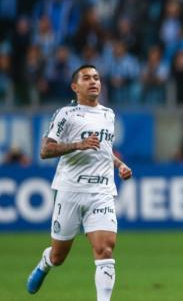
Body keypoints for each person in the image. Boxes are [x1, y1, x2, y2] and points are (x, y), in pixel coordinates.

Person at [26, 64, 132, 301]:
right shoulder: (66, 114)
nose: (94, 81)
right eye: (87, 78)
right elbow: (45, 150)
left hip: (101, 191)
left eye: (96, 77)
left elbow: (104, 150)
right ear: (75, 86)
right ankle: (46, 261)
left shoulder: (108, 114)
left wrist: (119, 165)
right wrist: (77, 145)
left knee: (105, 249)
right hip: (70, 191)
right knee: (59, 257)